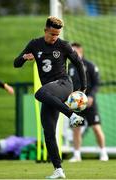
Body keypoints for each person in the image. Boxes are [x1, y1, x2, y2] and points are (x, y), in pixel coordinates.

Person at [14, 16, 87, 179]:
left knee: (39, 93)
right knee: (48, 130)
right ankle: (58, 170)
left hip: (63, 84)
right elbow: (15, 63)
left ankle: (72, 115)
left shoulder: (63, 45)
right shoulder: (34, 44)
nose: (55, 38)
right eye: (52, 34)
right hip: (50, 92)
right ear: (45, 30)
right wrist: (24, 58)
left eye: (57, 34)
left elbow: (79, 63)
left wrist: (83, 87)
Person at [68, 42, 109, 162]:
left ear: (81, 51)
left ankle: (103, 152)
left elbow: (97, 83)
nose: (73, 53)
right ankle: (76, 155)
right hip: (75, 104)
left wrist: (90, 96)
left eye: (75, 51)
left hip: (89, 102)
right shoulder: (69, 67)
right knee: (76, 129)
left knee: (96, 128)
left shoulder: (90, 65)